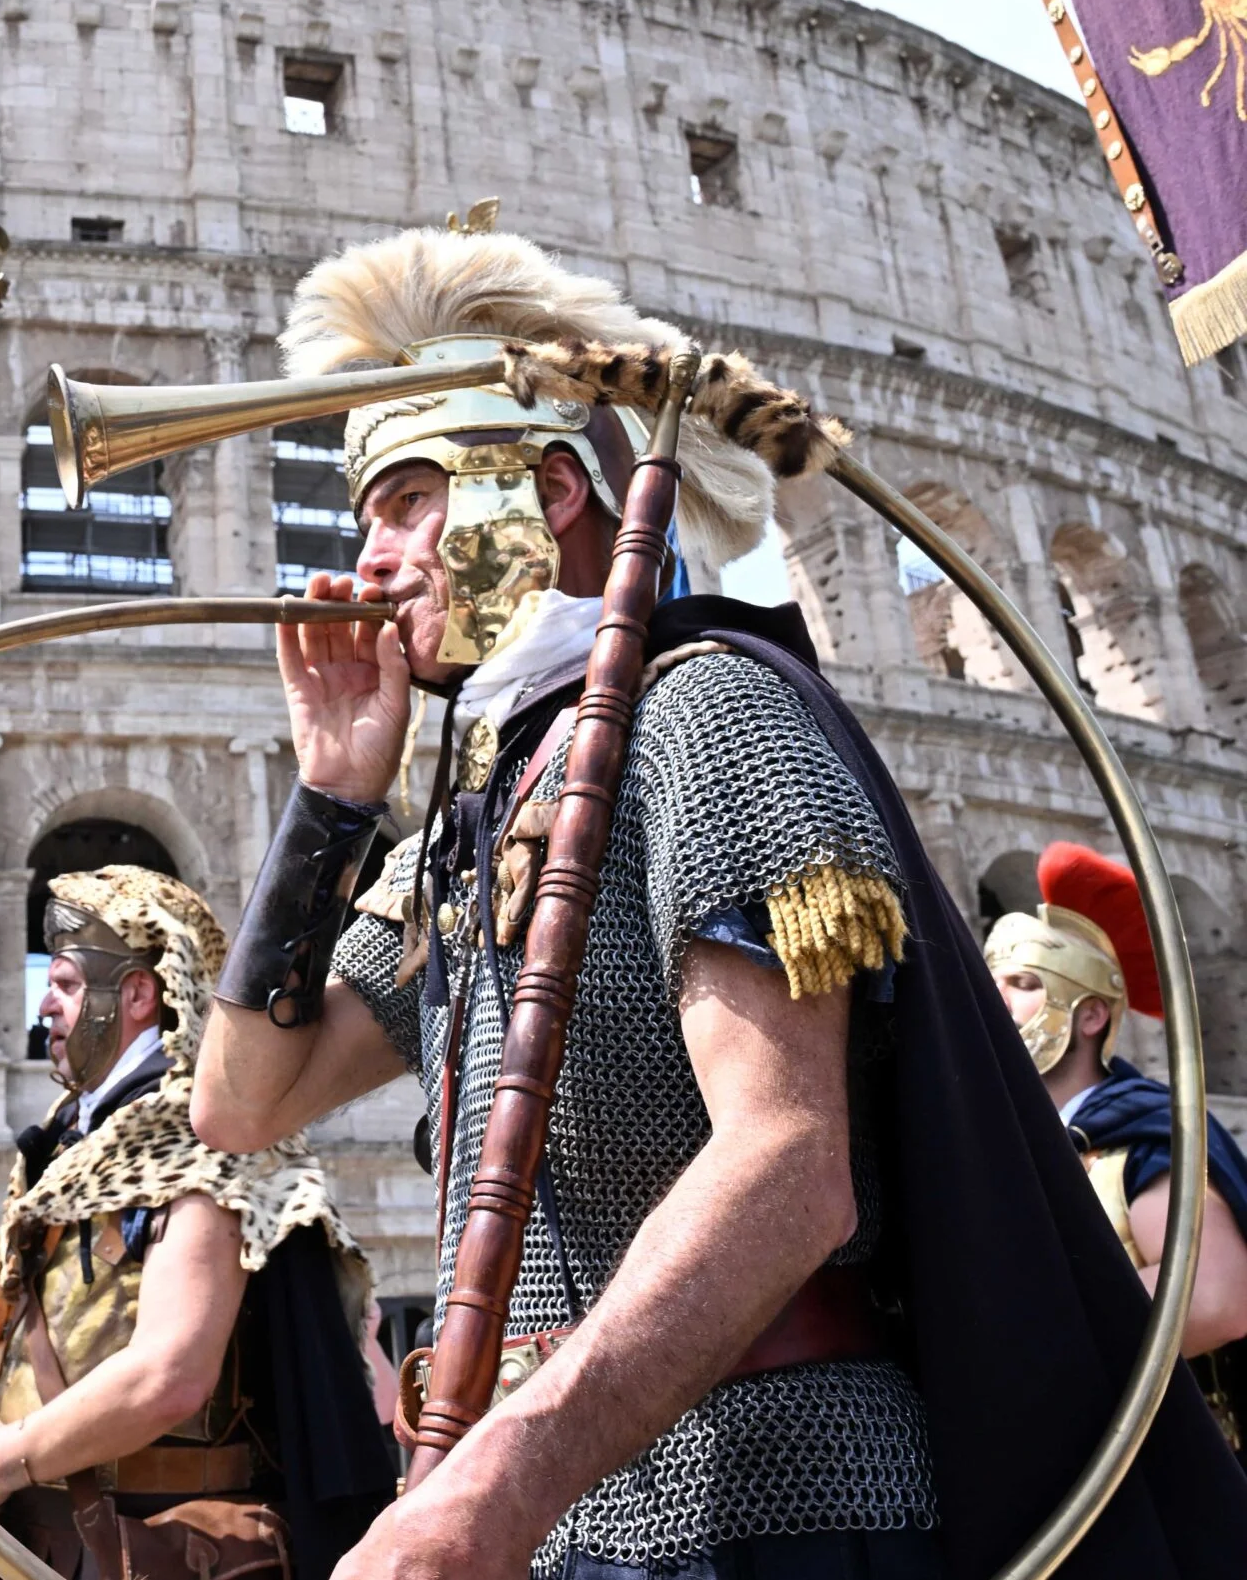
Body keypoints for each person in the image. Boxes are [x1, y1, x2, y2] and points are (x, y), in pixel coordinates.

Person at [187, 223, 1247, 1578]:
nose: (371, 553)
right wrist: (332, 799)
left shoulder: (715, 717)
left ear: (553, 489)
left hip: (776, 1500)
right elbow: (244, 1100)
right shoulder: (481, 819)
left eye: (405, 500)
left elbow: (791, 1168)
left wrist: (502, 1480)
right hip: (568, 1504)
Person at [0, 866, 393, 1580]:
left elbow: (171, 1374)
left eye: (68, 983)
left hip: (162, 1551)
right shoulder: (55, 1154)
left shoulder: (204, 1137)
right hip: (42, 1546)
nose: (44, 1004)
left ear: (138, 992)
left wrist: (10, 1454)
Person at [985, 841, 1247, 1447]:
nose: (995, 1004)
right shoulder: (1013, 1143)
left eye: (1022, 984)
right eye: (991, 983)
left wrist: (1026, 1335)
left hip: (1164, 1456)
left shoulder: (1141, 1134)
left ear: (1091, 1016)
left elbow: (1212, 1296)